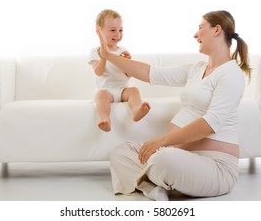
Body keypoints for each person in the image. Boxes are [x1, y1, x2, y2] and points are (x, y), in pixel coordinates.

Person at [98, 10, 251, 200]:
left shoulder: (231, 74)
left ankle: (156, 179)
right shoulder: (197, 69)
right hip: (178, 156)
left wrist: (161, 141)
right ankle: (154, 188)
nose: (196, 34)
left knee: (164, 159)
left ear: (217, 30)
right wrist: (109, 56)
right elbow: (150, 73)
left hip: (214, 165)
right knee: (120, 152)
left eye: (200, 27)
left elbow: (211, 123)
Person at [89, 9, 151, 132]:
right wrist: (103, 57)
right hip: (107, 91)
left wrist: (127, 62)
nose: (118, 34)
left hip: (123, 90)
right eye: (112, 30)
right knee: (100, 96)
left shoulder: (122, 51)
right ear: (99, 31)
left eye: (120, 30)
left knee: (134, 90)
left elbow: (128, 75)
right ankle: (105, 119)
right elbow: (98, 72)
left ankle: (137, 111)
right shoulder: (95, 52)